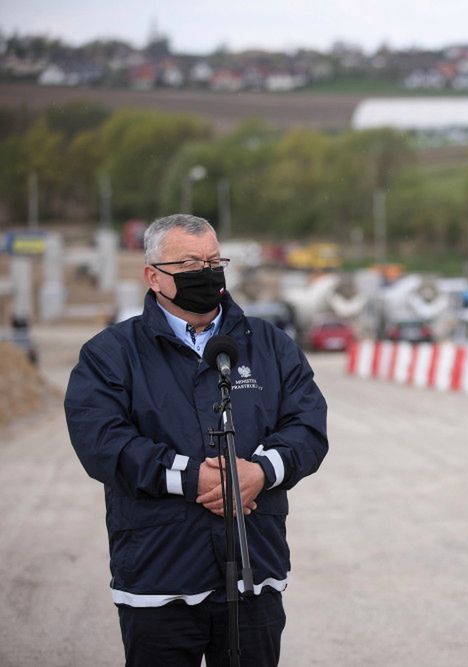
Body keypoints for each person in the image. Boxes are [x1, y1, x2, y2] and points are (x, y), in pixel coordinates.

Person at [65, 214, 328, 666]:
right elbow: (102, 442)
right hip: (158, 577)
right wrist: (191, 478)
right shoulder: (110, 354)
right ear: (153, 276)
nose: (206, 273)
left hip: (253, 574)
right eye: (189, 263)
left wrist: (260, 472)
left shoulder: (270, 345)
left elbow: (309, 427)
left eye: (213, 260)